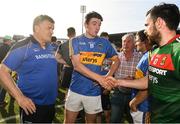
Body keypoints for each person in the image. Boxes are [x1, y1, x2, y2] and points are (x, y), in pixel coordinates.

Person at [106, 3, 180, 123]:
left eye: (147, 25)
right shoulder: (155, 51)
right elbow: (149, 80)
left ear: (159, 23)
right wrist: (118, 81)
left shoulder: (177, 51)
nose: (145, 30)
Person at [0, 15, 66, 123]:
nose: (52, 31)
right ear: (37, 28)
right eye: (49, 28)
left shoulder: (52, 47)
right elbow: (2, 71)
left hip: (50, 104)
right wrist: (20, 97)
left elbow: (66, 61)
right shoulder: (23, 46)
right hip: (31, 105)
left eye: (53, 29)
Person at [64, 11, 120, 123]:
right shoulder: (75, 41)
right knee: (68, 121)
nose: (97, 27)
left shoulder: (104, 43)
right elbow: (77, 66)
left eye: (99, 24)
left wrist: (108, 76)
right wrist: (100, 79)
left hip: (93, 92)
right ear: (86, 25)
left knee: (91, 122)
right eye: (94, 23)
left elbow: (117, 60)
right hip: (75, 89)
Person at [110, 33, 142, 123]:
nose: (125, 44)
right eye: (124, 41)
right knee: (114, 120)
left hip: (133, 94)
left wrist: (133, 79)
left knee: (133, 120)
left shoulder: (140, 57)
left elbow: (145, 76)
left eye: (129, 41)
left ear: (134, 43)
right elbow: (109, 72)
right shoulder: (116, 57)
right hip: (117, 93)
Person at [130, 29, 153, 123]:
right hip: (140, 105)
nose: (135, 44)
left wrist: (134, 102)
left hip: (144, 106)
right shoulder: (145, 55)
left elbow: (149, 84)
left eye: (137, 41)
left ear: (145, 41)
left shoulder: (150, 56)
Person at [96, 32, 113, 123]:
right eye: (102, 39)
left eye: (106, 40)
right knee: (97, 111)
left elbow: (115, 70)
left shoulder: (112, 52)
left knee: (107, 113)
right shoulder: (96, 51)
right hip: (97, 83)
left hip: (106, 83)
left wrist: (109, 88)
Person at [60, 27, 76, 93]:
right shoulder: (80, 44)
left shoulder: (63, 45)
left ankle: (67, 101)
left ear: (67, 34)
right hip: (78, 69)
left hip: (67, 69)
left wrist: (67, 63)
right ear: (75, 33)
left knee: (67, 89)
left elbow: (57, 58)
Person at [0, 35, 12, 107]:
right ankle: (1, 102)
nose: (11, 42)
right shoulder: (9, 48)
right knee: (5, 86)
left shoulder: (0, 47)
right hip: (6, 70)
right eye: (10, 40)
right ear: (7, 41)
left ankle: (12, 96)